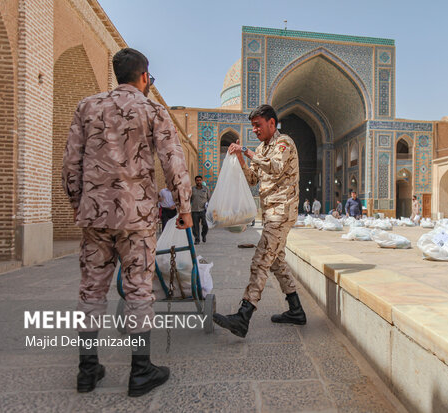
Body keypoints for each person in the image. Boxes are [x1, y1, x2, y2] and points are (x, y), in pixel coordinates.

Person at [62, 48, 192, 397]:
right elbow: (173, 162)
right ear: (144, 77)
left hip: (95, 215)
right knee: (138, 289)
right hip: (136, 217)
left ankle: (87, 371)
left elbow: (70, 163)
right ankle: (140, 371)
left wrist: (79, 203)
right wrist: (184, 207)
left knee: (91, 289)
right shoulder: (152, 110)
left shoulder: (87, 107)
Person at [212, 104, 306, 338]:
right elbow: (253, 179)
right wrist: (241, 161)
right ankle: (296, 310)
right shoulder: (261, 148)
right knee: (276, 261)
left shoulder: (283, 143)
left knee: (261, 259)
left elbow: (275, 167)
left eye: (258, 125)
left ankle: (244, 315)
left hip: (282, 211)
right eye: (252, 126)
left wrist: (247, 152)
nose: (254, 129)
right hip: (271, 212)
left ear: (271, 123)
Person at [191, 175, 210, 244]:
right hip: (194, 210)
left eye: (200, 180)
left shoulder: (206, 189)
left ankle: (203, 235)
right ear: (195, 181)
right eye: (197, 180)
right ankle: (197, 239)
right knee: (195, 226)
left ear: (202, 181)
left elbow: (209, 199)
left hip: (203, 210)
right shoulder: (192, 189)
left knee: (205, 224)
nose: (198, 182)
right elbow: (189, 199)